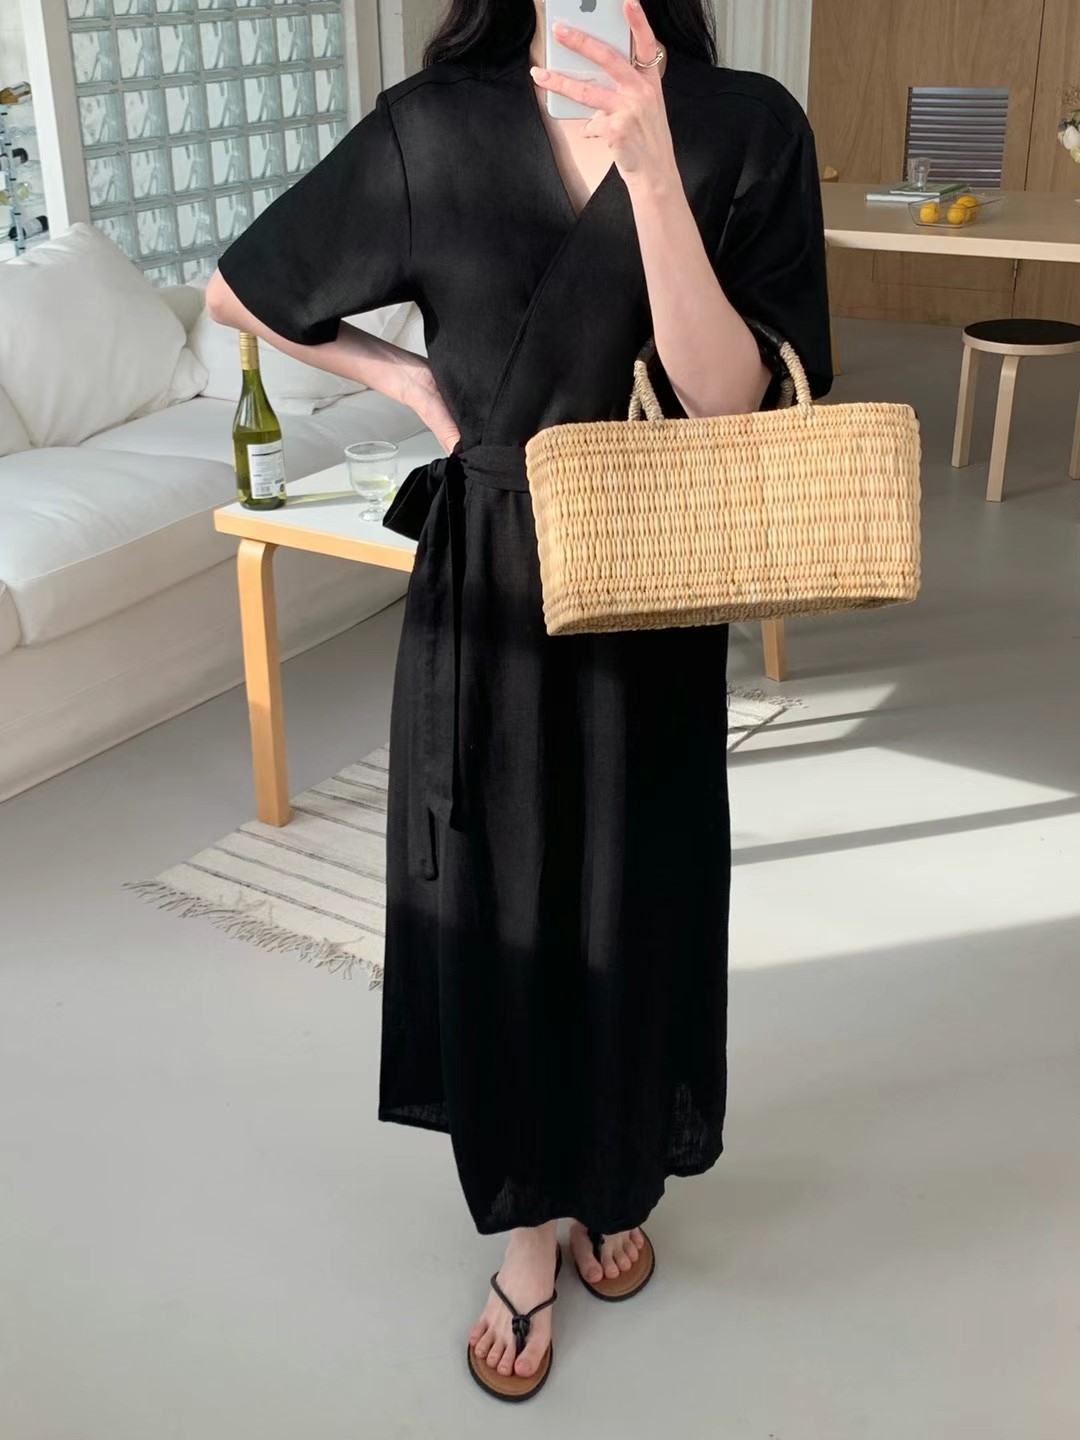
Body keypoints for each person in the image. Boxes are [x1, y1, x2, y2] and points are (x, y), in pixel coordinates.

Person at [207, 0, 832, 1403]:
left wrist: (653, 171)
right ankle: (529, 1233)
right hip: (490, 583)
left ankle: (616, 1177)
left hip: (652, 583)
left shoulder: (746, 130)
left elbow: (731, 406)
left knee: (637, 897)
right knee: (501, 904)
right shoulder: (436, 126)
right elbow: (242, 289)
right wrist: (411, 383)